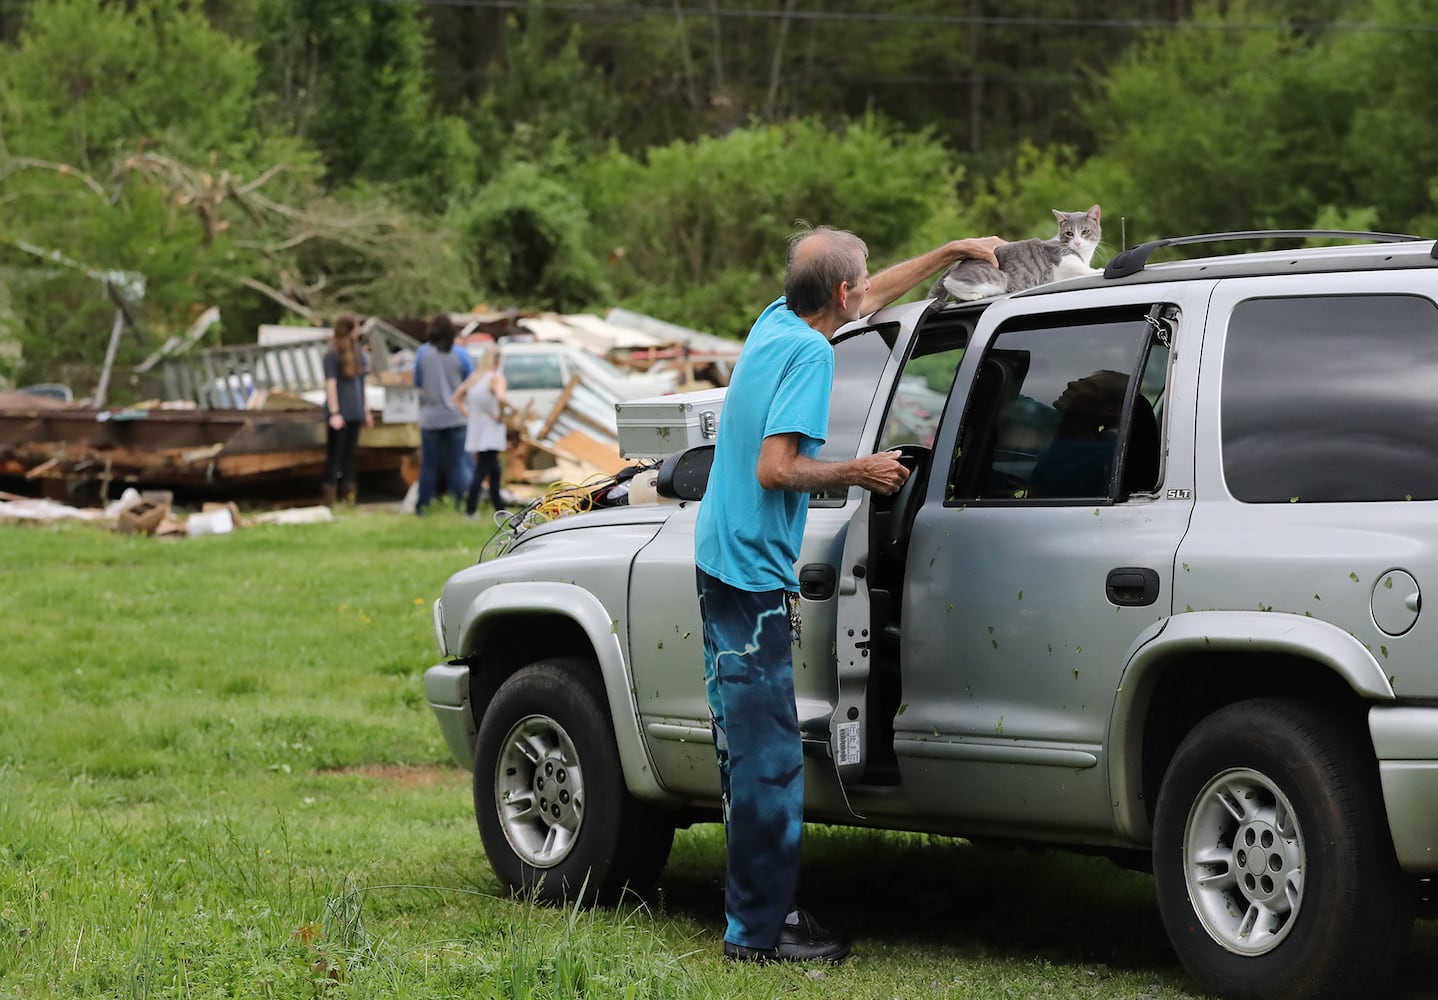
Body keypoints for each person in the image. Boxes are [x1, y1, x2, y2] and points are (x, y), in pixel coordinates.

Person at [693, 225, 1004, 964]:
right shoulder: (806, 354)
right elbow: (777, 469)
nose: (864, 292)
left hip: (718, 558)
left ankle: (752, 916)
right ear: (840, 292)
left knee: (743, 750)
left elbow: (870, 294)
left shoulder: (777, 322)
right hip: (749, 574)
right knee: (768, 758)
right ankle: (761, 934)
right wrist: (858, 470)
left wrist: (947, 254)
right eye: (857, 283)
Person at [414, 314, 475, 514]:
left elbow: (418, 383)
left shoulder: (423, 353)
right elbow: (471, 381)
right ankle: (459, 502)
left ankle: (423, 505)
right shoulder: (461, 354)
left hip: (430, 418)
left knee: (429, 464)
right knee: (458, 462)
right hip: (456, 416)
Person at [321, 314, 373, 506]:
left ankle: (349, 497)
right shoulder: (332, 354)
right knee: (335, 456)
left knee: (350, 456)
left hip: (355, 410)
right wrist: (334, 412)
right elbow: (331, 384)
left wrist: (366, 410)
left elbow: (362, 383)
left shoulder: (358, 353)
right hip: (340, 412)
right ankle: (330, 497)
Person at [454, 344, 510, 516]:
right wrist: (501, 415)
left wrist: (469, 415)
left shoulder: (475, 378)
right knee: (482, 472)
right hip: (491, 430)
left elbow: (456, 398)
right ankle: (471, 510)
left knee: (494, 471)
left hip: (477, 430)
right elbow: (501, 398)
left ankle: (499, 509)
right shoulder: (496, 378)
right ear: (498, 360)